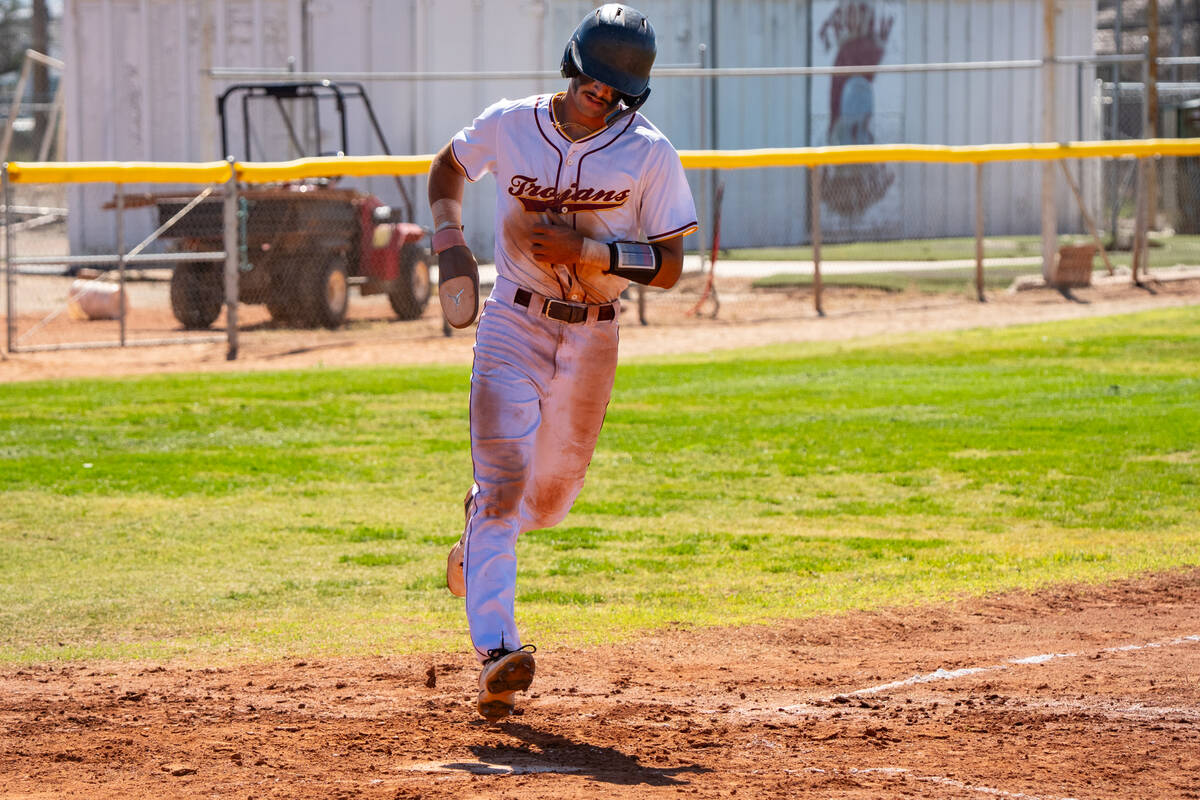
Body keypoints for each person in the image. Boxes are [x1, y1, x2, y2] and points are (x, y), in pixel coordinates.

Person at [426, 3, 697, 722]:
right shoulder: (512, 123)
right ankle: (497, 652)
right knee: (505, 486)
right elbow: (449, 166)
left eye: (614, 93)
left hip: (593, 337)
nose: (598, 99)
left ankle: (475, 536)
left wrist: (592, 253)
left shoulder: (648, 153)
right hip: (512, 322)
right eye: (591, 84)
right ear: (571, 66)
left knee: (546, 504)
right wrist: (449, 241)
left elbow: (672, 266)